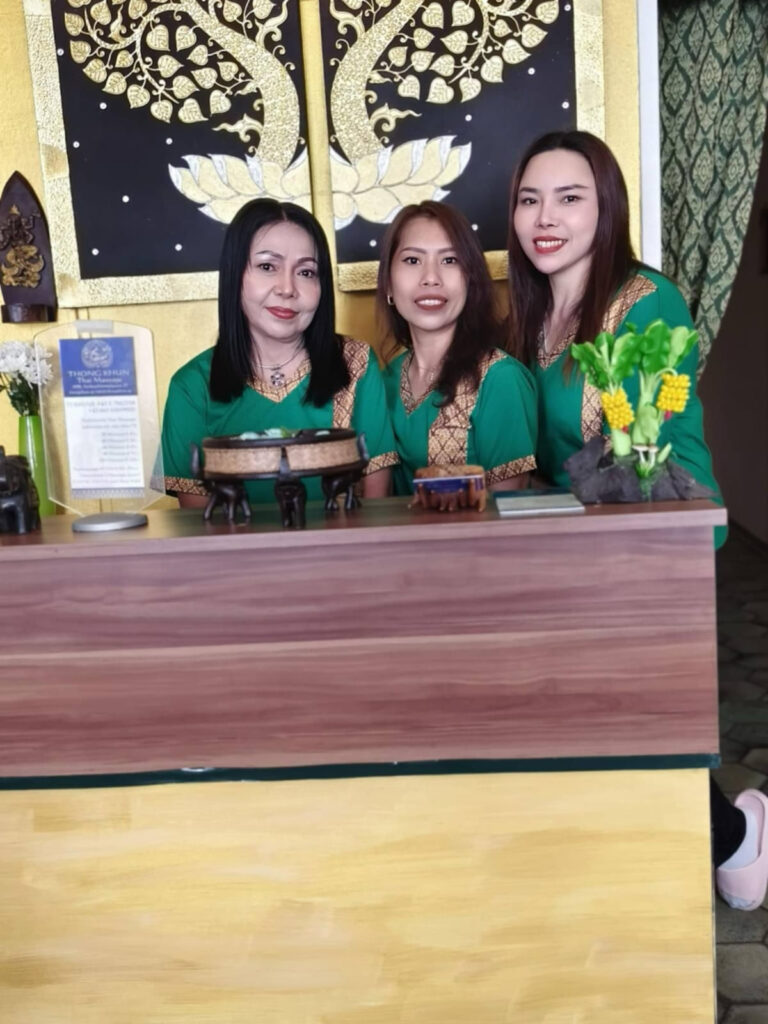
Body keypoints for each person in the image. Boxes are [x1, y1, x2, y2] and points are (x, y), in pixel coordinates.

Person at [507, 129, 767, 910]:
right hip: (576, 534)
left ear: (607, 207)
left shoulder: (647, 302)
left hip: (657, 524)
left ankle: (735, 837)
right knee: (588, 709)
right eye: (529, 200)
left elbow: (640, 454)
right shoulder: (528, 313)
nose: (545, 218)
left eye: (569, 198)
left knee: (636, 710)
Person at [162, 198, 397, 506]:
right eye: (267, 267)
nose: (287, 288)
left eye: (306, 272)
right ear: (235, 276)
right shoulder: (191, 386)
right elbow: (198, 522)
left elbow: (378, 504)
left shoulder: (357, 364)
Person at [378, 200, 537, 495]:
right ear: (388, 283)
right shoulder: (383, 381)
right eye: (412, 260)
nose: (431, 278)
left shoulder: (500, 379)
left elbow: (509, 509)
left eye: (450, 260)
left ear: (471, 280)